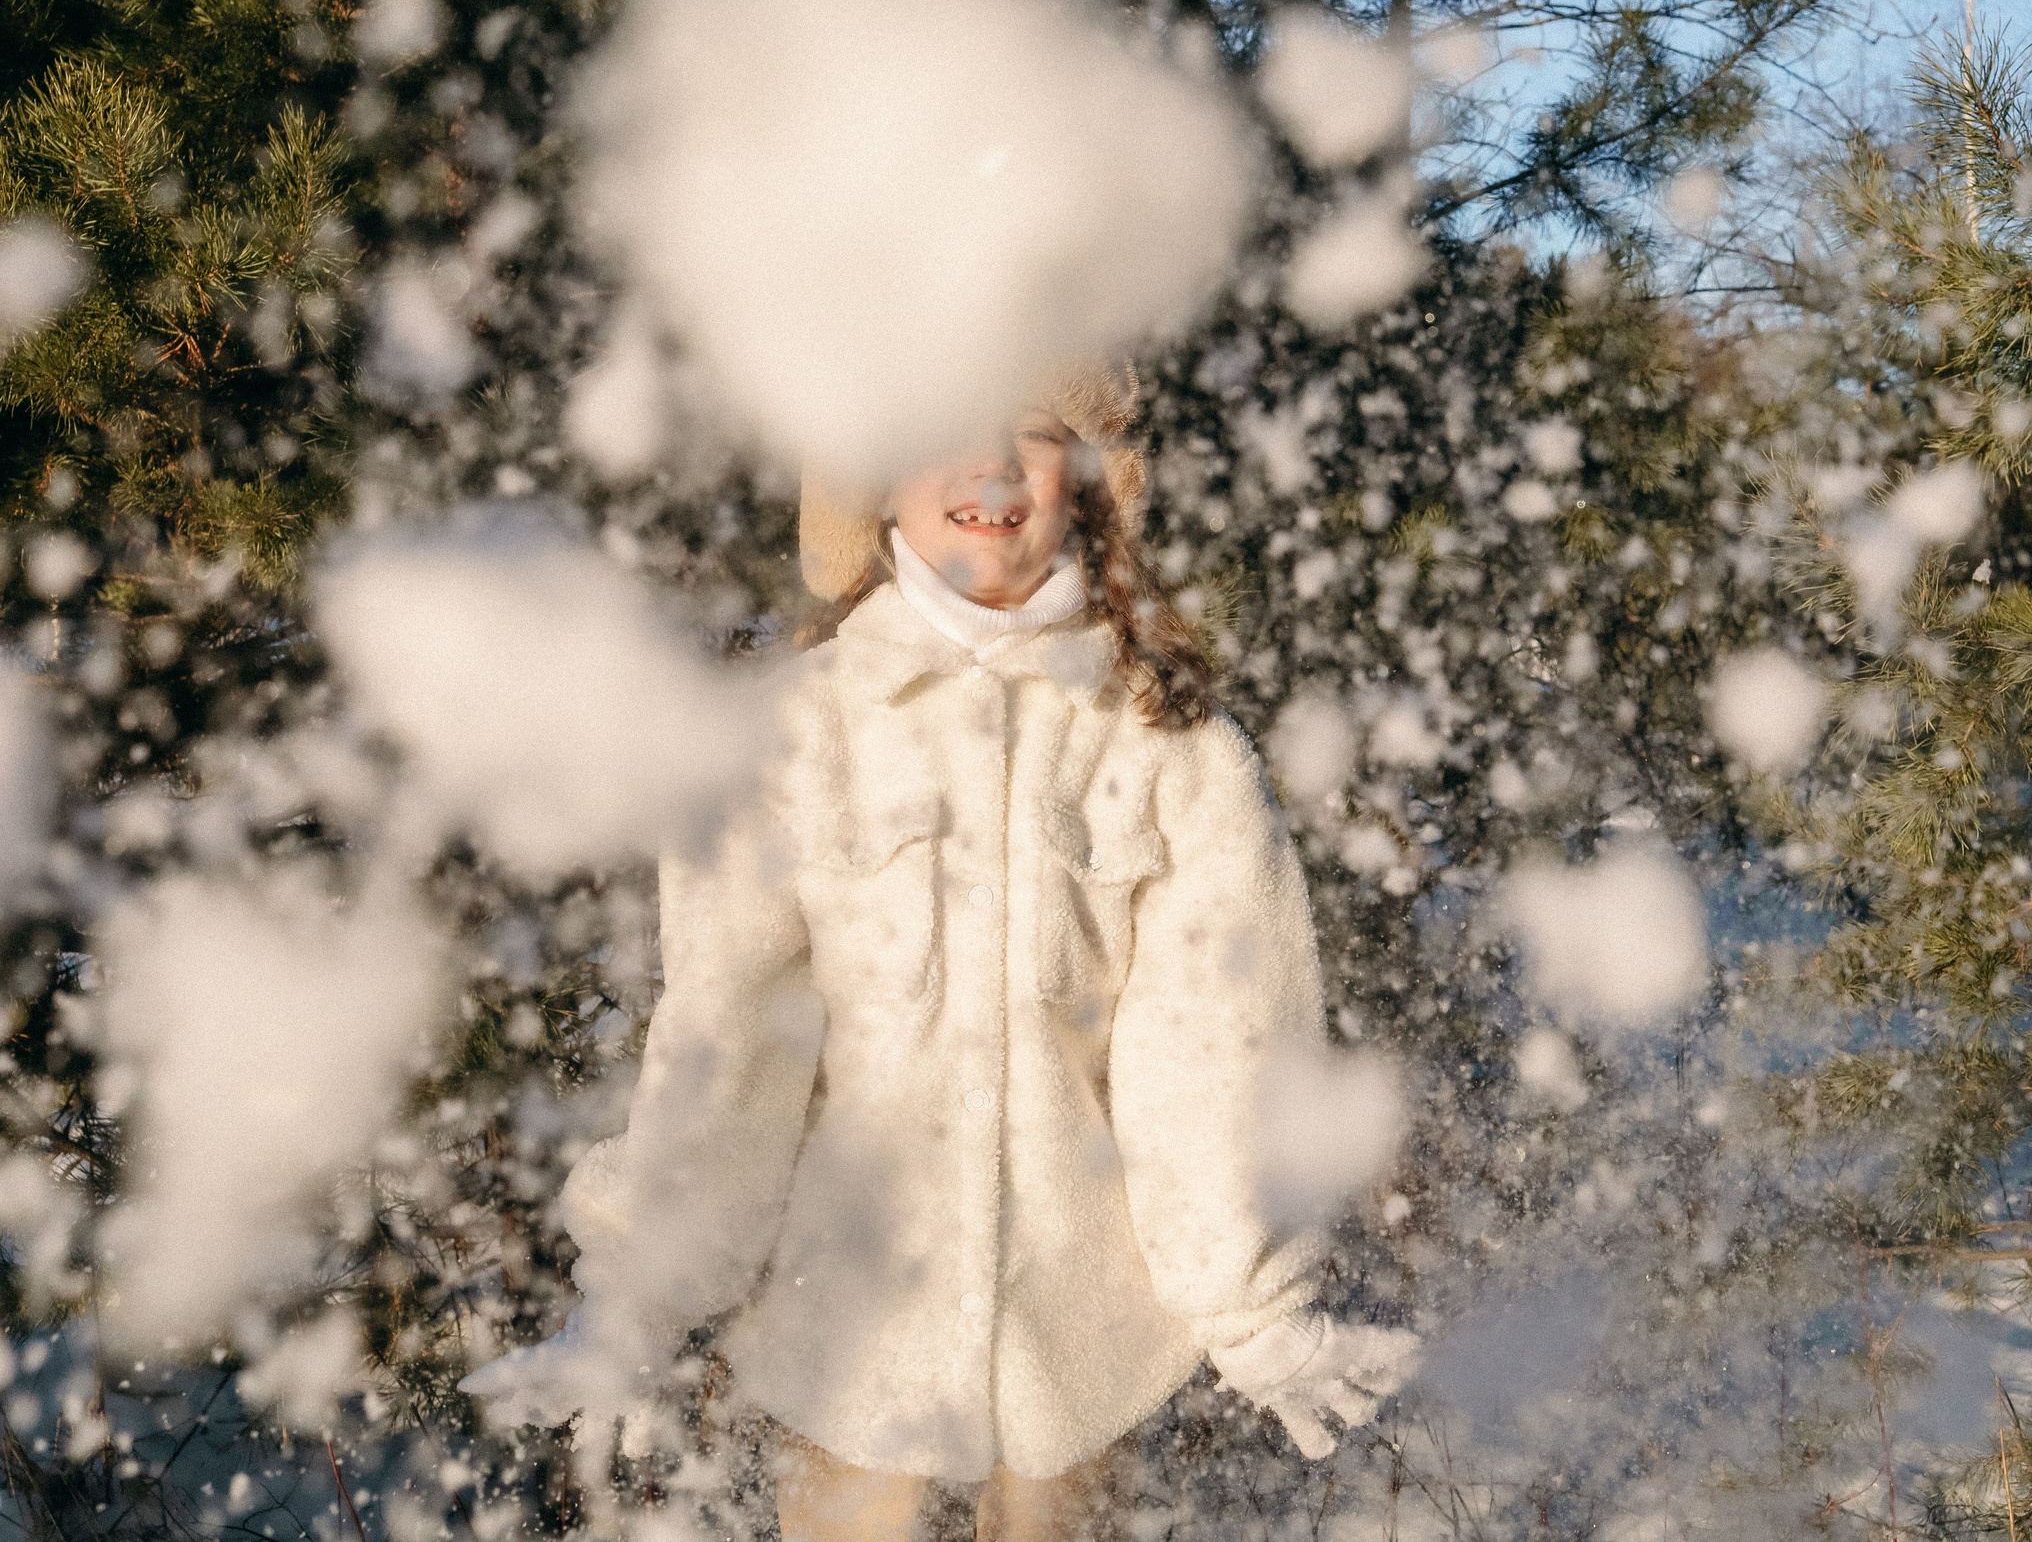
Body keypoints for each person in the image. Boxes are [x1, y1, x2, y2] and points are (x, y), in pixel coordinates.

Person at [459, 370, 1418, 1541]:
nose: (990, 473)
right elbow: (725, 1043)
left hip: (1084, 1349)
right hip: (847, 1336)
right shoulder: (789, 736)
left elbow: (1218, 1052)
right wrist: (639, 1295)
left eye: (1030, 435)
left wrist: (1250, 1301)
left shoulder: (1174, 746)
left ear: (1090, 478)